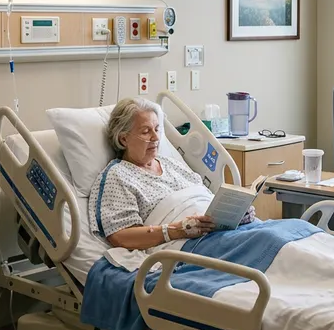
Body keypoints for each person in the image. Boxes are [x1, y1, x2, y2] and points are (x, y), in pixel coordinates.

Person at [89, 98, 253, 251]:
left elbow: (205, 203)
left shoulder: (172, 164)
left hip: (221, 233)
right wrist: (177, 230)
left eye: (157, 129)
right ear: (124, 139)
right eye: (146, 131)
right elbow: (120, 236)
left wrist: (234, 215)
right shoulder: (118, 175)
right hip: (195, 245)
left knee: (274, 233)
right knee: (264, 242)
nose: (155, 137)